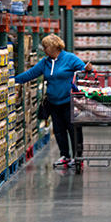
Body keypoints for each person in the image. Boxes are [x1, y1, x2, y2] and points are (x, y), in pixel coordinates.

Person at [15, 34, 92, 168]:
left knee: (74, 130)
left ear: (52, 47)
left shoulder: (69, 58)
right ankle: (65, 156)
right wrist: (11, 80)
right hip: (53, 103)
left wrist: (89, 70)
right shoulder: (45, 62)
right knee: (59, 130)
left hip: (70, 102)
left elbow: (85, 72)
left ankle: (78, 157)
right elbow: (30, 74)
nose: (43, 50)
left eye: (45, 47)